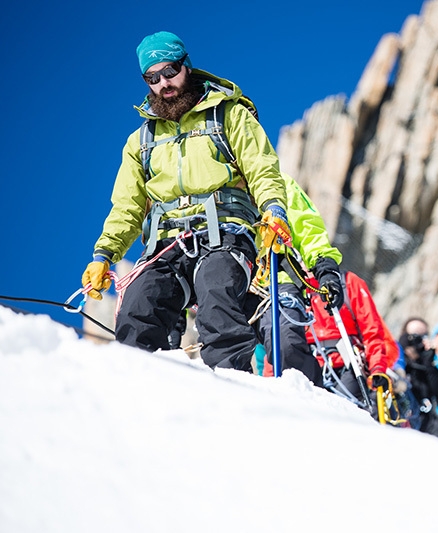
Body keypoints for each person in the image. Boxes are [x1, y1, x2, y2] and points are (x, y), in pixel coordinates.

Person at [81, 31, 293, 372]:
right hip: (165, 245)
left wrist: (274, 209)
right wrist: (104, 255)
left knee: (218, 304)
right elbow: (127, 207)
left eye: (170, 71)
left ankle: (235, 392)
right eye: (152, 77)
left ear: (187, 67)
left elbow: (262, 169)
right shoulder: (141, 142)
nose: (163, 83)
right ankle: (135, 395)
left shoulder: (228, 116)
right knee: (137, 310)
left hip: (224, 234)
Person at [248, 173, 344, 386]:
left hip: (274, 281)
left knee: (286, 345)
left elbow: (308, 230)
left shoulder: (277, 182)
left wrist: (325, 269)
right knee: (224, 355)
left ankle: (310, 403)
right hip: (227, 277)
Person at [303, 269, 392, 407]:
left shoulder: (348, 282)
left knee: (344, 409)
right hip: (310, 366)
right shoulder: (294, 288)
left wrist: (377, 367)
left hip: (348, 364)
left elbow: (371, 331)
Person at [397, 323, 438, 430]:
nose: (418, 340)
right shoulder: (398, 359)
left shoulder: (427, 363)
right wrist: (403, 349)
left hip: (424, 423)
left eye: (423, 336)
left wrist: (428, 364)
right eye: (414, 336)